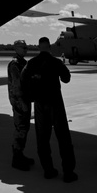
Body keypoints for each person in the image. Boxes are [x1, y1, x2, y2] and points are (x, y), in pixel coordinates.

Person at [21, 37, 77, 182]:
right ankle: (68, 172)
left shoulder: (31, 63)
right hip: (55, 102)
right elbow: (66, 78)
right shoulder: (56, 62)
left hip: (39, 104)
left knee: (42, 138)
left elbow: (23, 80)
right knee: (63, 137)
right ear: (49, 47)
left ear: (39, 48)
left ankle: (48, 170)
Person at [7, 40, 35, 170]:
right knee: (21, 128)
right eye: (23, 48)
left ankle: (20, 154)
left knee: (25, 128)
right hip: (19, 101)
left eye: (26, 47)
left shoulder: (23, 63)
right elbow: (17, 85)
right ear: (16, 49)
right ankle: (16, 158)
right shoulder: (15, 65)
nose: (26, 50)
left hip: (25, 99)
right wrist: (22, 102)